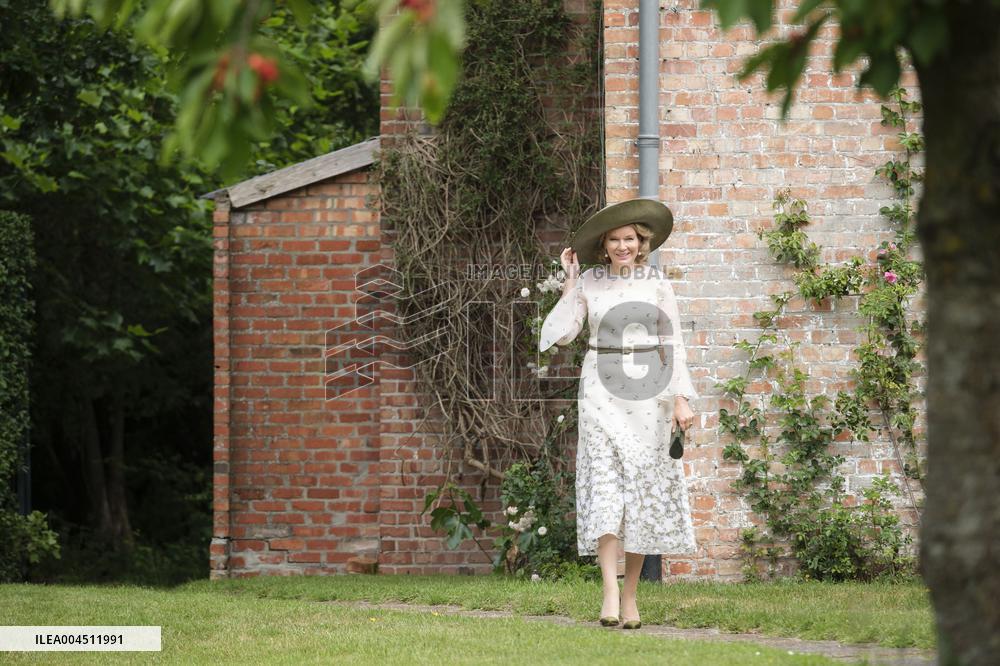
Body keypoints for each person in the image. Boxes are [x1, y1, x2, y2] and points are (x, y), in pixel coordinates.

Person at [538, 199, 699, 630]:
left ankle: (631, 597)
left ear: (641, 242)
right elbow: (561, 335)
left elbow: (674, 344)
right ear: (604, 245)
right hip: (600, 390)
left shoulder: (657, 284)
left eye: (630, 238)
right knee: (606, 488)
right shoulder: (590, 280)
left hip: (649, 393)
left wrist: (681, 398)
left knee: (641, 492)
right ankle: (609, 589)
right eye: (615, 239)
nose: (623, 245)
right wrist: (571, 283)